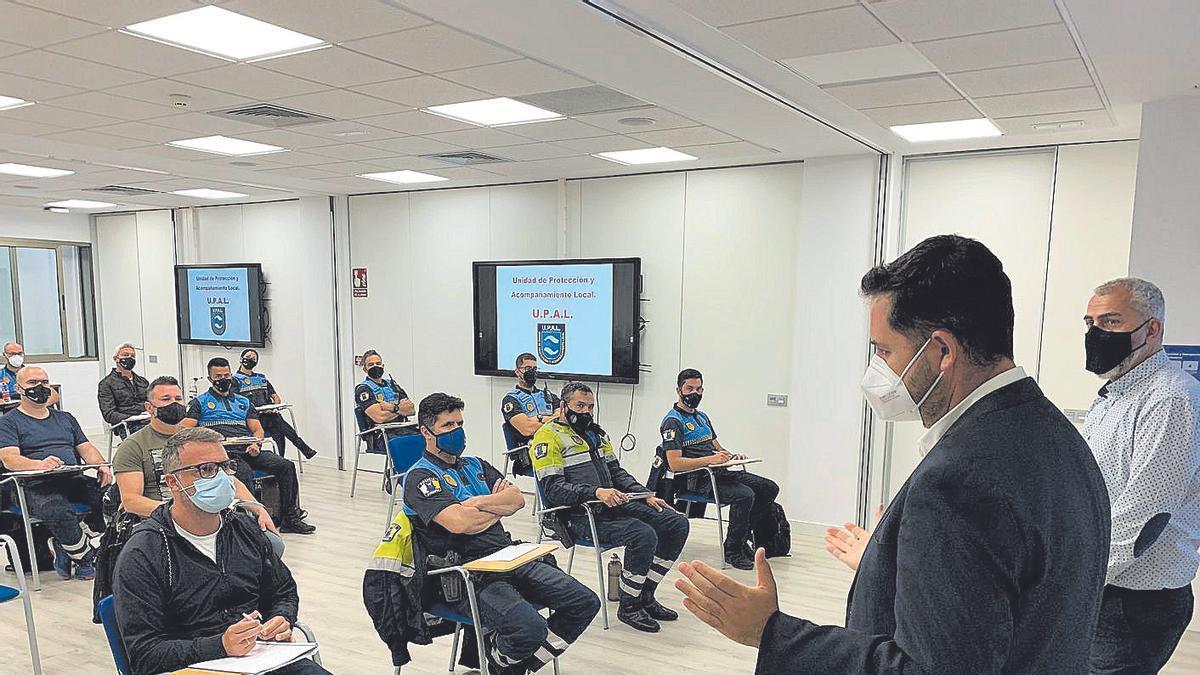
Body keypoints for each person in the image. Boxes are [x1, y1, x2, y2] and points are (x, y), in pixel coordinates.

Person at [676, 235, 1112, 674]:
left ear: (942, 351)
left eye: (885, 351)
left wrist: (771, 632)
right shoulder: (1056, 436)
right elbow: (1006, 592)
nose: (878, 370)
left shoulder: (958, 481)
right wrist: (889, 563)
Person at [403, 393, 599, 675]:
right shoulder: (421, 477)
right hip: (468, 572)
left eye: (460, 423)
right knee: (529, 627)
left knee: (584, 602)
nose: (457, 431)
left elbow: (517, 499)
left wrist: (476, 504)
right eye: (448, 426)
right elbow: (460, 523)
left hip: (509, 556)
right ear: (426, 431)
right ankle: (506, 665)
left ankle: (503, 666)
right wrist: (496, 508)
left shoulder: (476, 465)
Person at [112, 427, 331, 675]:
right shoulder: (144, 553)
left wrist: (282, 617)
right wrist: (220, 646)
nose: (221, 478)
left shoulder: (244, 529)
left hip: (261, 657)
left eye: (225, 467)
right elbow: (144, 656)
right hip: (193, 667)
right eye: (206, 469)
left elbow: (283, 590)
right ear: (173, 482)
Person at [1081, 277, 1200, 674]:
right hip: (1105, 587)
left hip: (1136, 601)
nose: (1096, 333)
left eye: (1111, 322)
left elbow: (1146, 516)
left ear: (1152, 329)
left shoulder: (1170, 397)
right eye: (1090, 323)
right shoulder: (1113, 396)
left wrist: (1078, 577)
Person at [531, 382, 688, 633]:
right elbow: (553, 489)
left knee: (675, 522)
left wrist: (643, 494)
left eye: (590, 406)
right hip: (579, 515)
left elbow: (616, 472)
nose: (585, 411)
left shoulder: (596, 433)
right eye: (579, 405)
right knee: (643, 534)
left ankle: (645, 594)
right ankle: (629, 606)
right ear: (563, 406)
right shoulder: (547, 437)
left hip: (612, 504)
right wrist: (595, 492)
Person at [0, 365, 112, 580]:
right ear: (19, 388)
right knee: (57, 509)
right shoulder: (8, 422)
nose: (40, 387)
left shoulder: (65, 418)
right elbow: (9, 459)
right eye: (33, 383)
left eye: (44, 382)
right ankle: (84, 558)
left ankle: (70, 545)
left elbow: (86, 448)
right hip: (31, 485)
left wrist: (101, 464)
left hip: (71, 478)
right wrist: (39, 464)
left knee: (112, 496)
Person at [661, 368, 779, 570]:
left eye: (698, 389)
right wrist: (710, 460)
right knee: (745, 495)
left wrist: (731, 456)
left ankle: (742, 540)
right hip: (697, 479)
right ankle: (732, 550)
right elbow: (675, 464)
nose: (694, 394)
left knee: (769, 487)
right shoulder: (673, 421)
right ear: (679, 390)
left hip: (719, 472)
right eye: (689, 389)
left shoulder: (702, 417)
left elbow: (717, 447)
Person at [180, 357, 314, 535]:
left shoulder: (243, 402)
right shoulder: (200, 403)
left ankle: (291, 518)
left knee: (286, 466)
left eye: (226, 375)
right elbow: (184, 430)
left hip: (248, 448)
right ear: (210, 379)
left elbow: (257, 430)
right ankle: (250, 525)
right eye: (218, 376)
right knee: (243, 472)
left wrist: (256, 443)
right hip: (223, 454)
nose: (223, 379)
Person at [234, 349, 318, 461]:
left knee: (277, 426)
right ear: (241, 359)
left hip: (269, 414)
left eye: (254, 358)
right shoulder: (235, 380)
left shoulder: (261, 378)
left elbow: (275, 397)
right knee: (277, 424)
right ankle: (302, 448)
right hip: (253, 418)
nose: (251, 359)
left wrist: (275, 407)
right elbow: (235, 401)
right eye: (248, 356)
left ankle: (280, 459)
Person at [354, 349, 416, 454]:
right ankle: (402, 470)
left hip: (402, 429)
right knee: (409, 445)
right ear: (365, 369)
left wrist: (391, 408)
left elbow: (411, 410)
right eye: (371, 364)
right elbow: (380, 417)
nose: (375, 366)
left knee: (427, 439)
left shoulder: (392, 385)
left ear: (383, 366)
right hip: (380, 435)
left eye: (378, 363)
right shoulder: (363, 390)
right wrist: (401, 409)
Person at [500, 353, 557, 450]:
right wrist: (550, 420)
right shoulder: (511, 400)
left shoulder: (549, 396)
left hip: (555, 446)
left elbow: (562, 418)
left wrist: (537, 419)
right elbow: (527, 429)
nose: (532, 372)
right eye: (527, 368)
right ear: (518, 372)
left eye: (534, 369)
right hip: (529, 451)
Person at [97, 343, 150, 439]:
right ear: (116, 358)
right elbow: (109, 414)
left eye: (133, 356)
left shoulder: (143, 381)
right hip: (126, 425)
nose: (130, 358)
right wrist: (131, 417)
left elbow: (153, 403)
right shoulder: (106, 384)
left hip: (148, 421)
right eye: (125, 355)